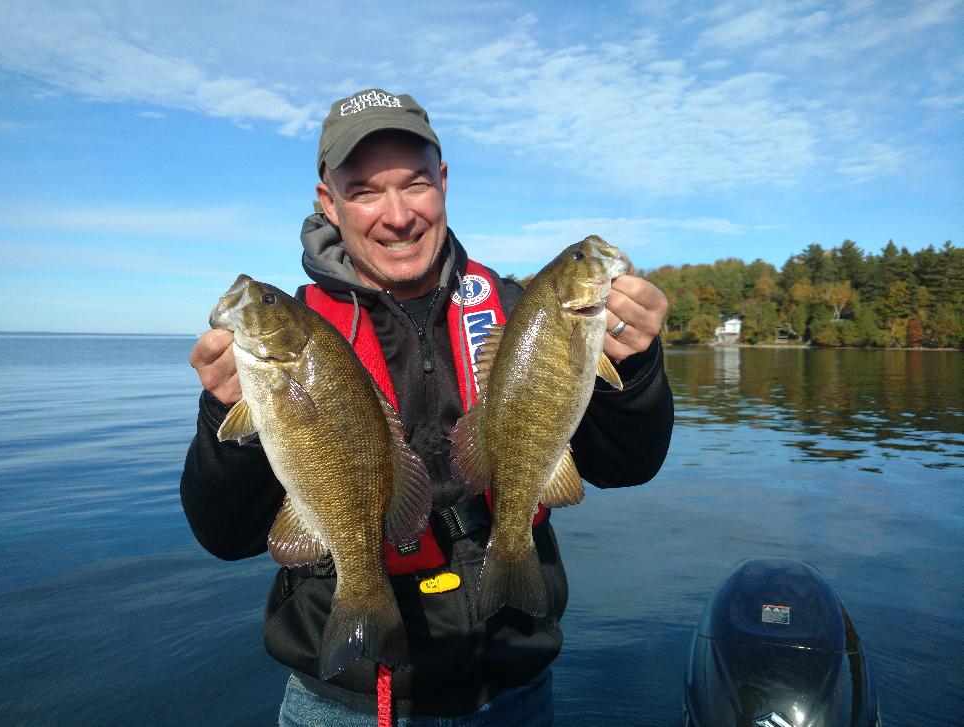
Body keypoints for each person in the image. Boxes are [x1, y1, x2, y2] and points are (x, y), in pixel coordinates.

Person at [180, 88, 674, 725]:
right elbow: (224, 536)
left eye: (414, 184)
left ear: (443, 183)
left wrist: (634, 369)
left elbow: (627, 463)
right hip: (349, 699)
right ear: (328, 202)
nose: (397, 216)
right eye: (363, 191)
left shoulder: (523, 312)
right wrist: (226, 421)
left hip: (514, 687)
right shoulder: (300, 339)